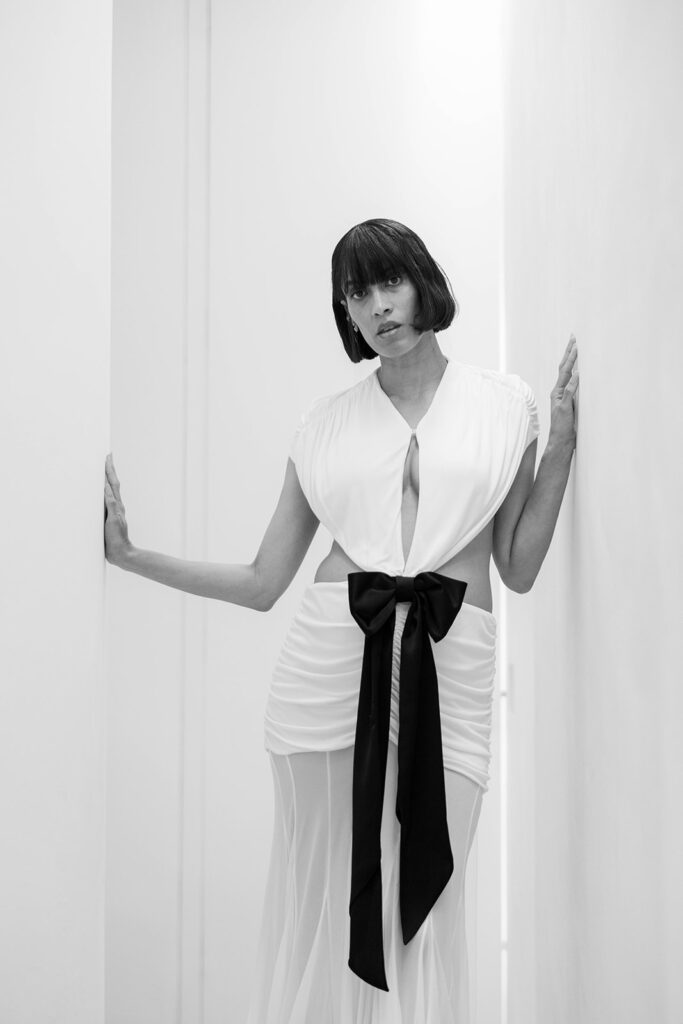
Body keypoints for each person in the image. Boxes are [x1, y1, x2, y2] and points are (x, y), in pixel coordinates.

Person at [104, 217, 579, 1022]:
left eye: (389, 282)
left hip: (452, 668)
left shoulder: (506, 408)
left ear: (422, 282)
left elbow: (518, 567)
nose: (377, 306)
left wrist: (561, 445)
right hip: (325, 678)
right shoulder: (323, 423)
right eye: (356, 294)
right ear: (346, 314)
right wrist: (131, 555)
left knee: (428, 902)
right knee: (326, 902)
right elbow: (264, 581)